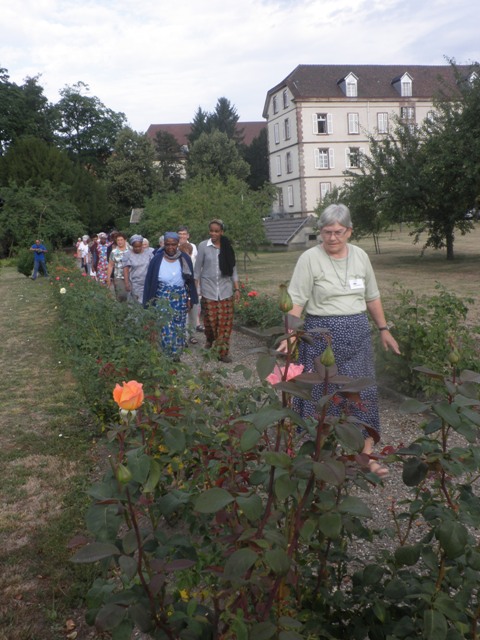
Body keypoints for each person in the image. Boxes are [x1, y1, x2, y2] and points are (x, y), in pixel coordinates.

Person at [278, 203, 400, 477]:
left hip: (357, 337)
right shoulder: (310, 258)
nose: (332, 238)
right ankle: (322, 456)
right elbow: (296, 301)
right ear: (320, 231)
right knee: (321, 397)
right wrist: (290, 335)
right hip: (321, 337)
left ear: (349, 231)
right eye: (326, 232)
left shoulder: (360, 257)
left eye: (338, 232)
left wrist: (383, 328)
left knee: (362, 394)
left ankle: (366, 456)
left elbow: (372, 295)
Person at [143, 232, 198, 360]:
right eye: (168, 244)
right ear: (164, 245)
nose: (171, 247)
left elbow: (190, 280)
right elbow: (149, 281)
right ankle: (168, 353)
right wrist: (148, 303)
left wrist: (190, 298)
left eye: (174, 244)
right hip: (162, 295)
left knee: (178, 325)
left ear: (178, 244)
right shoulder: (157, 259)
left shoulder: (184, 258)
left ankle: (176, 353)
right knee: (165, 326)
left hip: (180, 295)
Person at [194, 219, 241, 363]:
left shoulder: (227, 247)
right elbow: (197, 270)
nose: (213, 233)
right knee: (210, 322)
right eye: (211, 231)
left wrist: (237, 288)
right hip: (208, 291)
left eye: (216, 231)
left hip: (226, 290)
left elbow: (233, 269)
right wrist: (196, 290)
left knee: (225, 324)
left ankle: (222, 353)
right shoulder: (203, 246)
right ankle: (210, 340)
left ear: (222, 232)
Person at [123, 234, 153, 303]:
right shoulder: (127, 254)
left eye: (139, 246)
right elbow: (125, 269)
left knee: (148, 302)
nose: (137, 248)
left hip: (147, 282)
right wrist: (126, 283)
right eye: (135, 247)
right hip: (135, 283)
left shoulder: (149, 252)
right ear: (132, 246)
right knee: (137, 302)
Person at [107, 232, 129, 302]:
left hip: (131, 276)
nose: (120, 242)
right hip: (119, 276)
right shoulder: (114, 252)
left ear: (125, 240)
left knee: (131, 295)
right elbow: (110, 265)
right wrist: (108, 278)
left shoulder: (131, 250)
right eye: (118, 240)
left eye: (121, 240)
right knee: (121, 295)